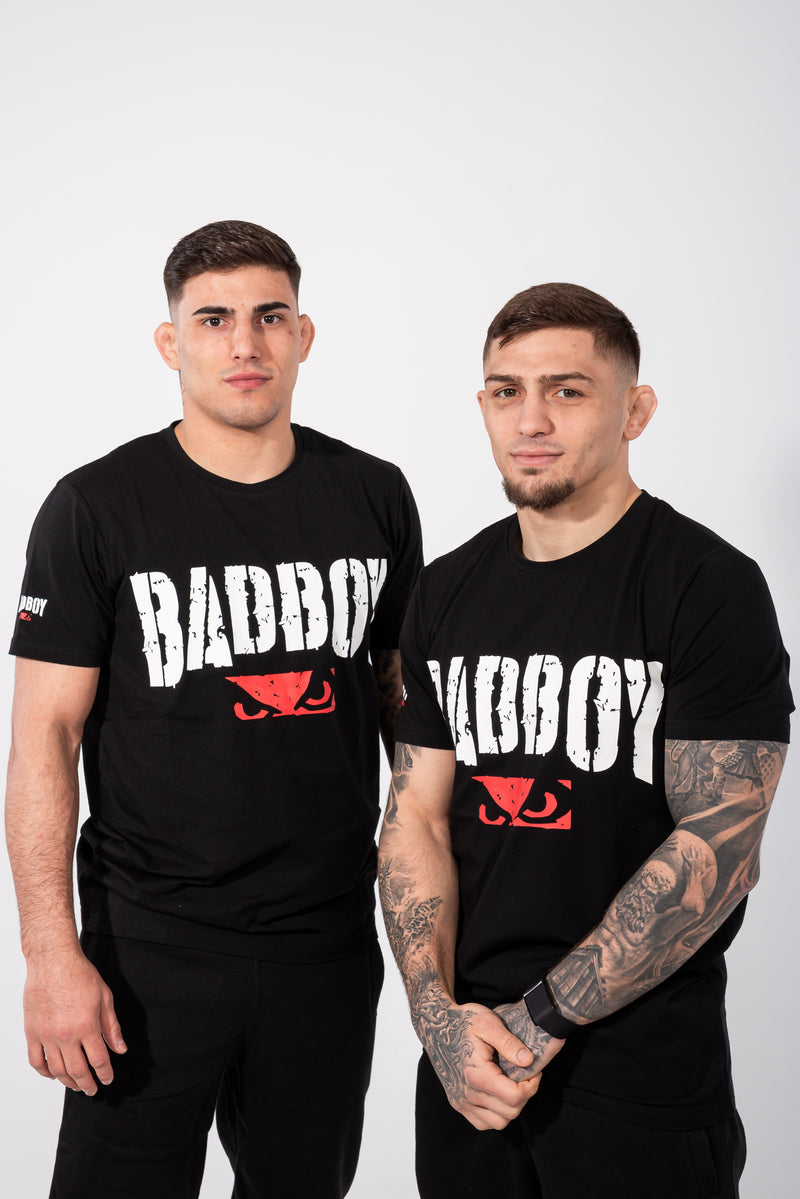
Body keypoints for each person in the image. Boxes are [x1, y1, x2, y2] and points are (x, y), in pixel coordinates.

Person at [6, 219, 422, 1199]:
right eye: (214, 319)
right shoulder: (96, 506)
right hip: (150, 946)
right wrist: (51, 953)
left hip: (324, 942)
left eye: (270, 316)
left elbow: (407, 713)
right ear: (171, 342)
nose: (245, 343)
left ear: (303, 335)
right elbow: (43, 738)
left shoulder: (373, 494)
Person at [378, 282, 791, 1199]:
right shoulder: (446, 591)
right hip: (469, 1074)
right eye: (506, 391)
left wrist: (546, 1014)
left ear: (635, 410)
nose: (531, 420)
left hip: (640, 1082)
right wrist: (439, 1019)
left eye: (567, 390)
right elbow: (415, 820)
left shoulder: (707, 586)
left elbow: (721, 844)